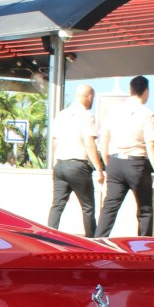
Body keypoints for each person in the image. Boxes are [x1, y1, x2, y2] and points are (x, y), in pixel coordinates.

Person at [95, 76, 154, 237]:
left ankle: (98, 242)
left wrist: (108, 164)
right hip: (136, 164)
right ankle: (144, 248)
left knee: (110, 206)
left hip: (115, 162)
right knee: (145, 208)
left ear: (130, 91)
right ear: (146, 92)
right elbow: (152, 145)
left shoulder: (113, 112)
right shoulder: (147, 113)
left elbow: (104, 140)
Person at [47, 84, 105, 234]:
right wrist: (99, 169)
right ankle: (93, 241)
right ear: (90, 97)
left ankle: (48, 237)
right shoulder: (87, 115)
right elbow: (89, 143)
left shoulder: (61, 114)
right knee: (87, 207)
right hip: (78, 166)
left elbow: (54, 142)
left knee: (57, 205)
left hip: (60, 165)